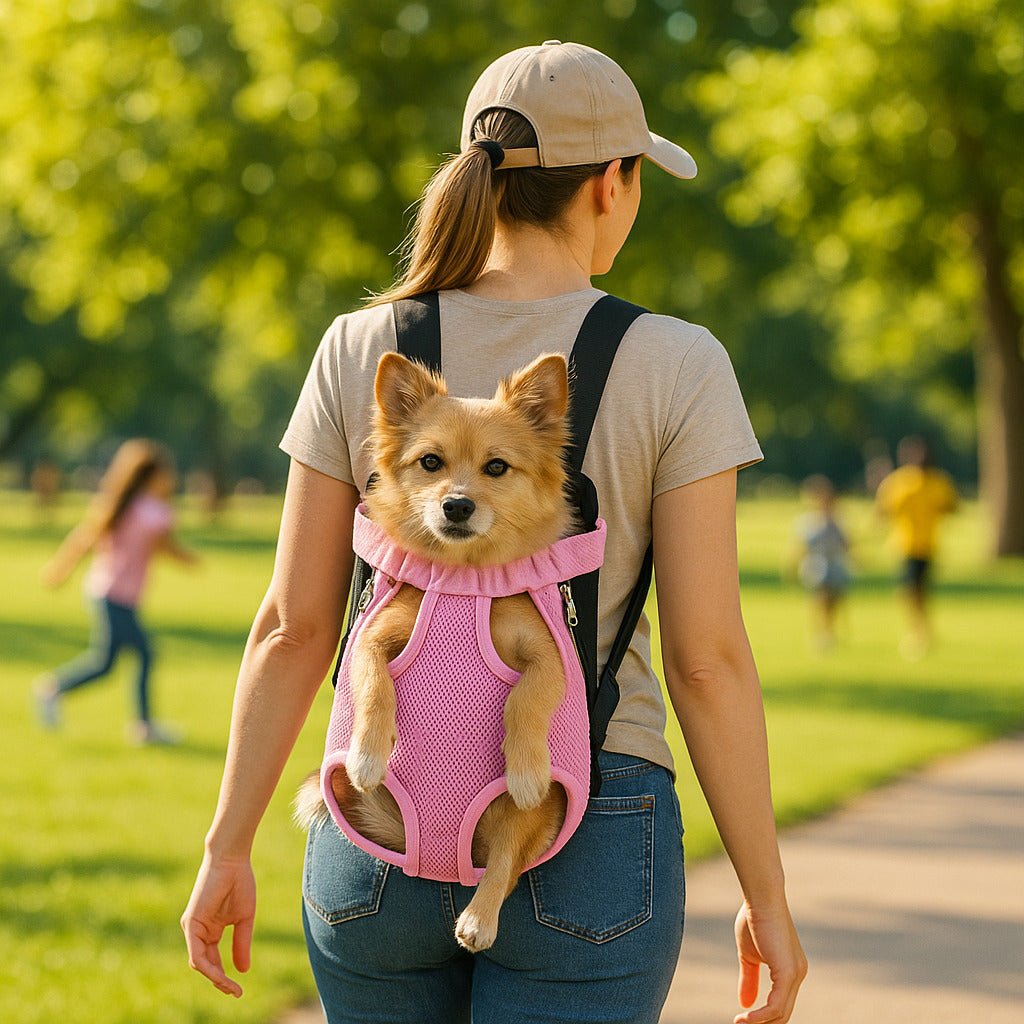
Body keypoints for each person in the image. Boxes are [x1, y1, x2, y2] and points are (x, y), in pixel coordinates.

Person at [181, 41, 806, 1024]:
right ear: (611, 184)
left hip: (378, 824)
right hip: (590, 816)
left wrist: (226, 846)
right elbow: (707, 661)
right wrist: (764, 892)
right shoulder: (678, 362)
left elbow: (293, 629)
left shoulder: (363, 345)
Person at [34, 438, 197, 743]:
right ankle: (142, 726)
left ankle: (55, 691)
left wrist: (61, 568)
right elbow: (167, 546)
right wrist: (191, 559)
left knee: (107, 663)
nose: (172, 480)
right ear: (151, 477)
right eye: (167, 474)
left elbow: (82, 539)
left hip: (106, 592)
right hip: (115, 597)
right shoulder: (154, 513)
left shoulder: (118, 505)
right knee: (142, 654)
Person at [875, 434, 958, 657]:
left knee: (920, 591)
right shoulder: (898, 482)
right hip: (904, 546)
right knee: (909, 591)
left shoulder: (938, 482)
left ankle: (921, 632)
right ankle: (920, 631)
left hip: (928, 546)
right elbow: (883, 511)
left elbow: (951, 507)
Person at [791, 474, 851, 650]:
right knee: (821, 600)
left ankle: (829, 632)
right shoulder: (809, 521)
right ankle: (821, 634)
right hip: (817, 566)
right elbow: (801, 546)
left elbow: (846, 544)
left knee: (834, 601)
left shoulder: (838, 520)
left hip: (834, 565)